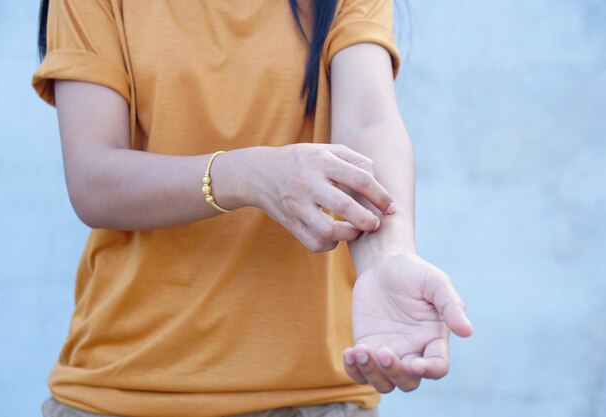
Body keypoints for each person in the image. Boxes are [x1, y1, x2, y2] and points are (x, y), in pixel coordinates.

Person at [32, 0, 474, 416]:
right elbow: (93, 177)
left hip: (315, 396)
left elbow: (368, 121)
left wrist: (389, 257)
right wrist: (244, 175)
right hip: (123, 391)